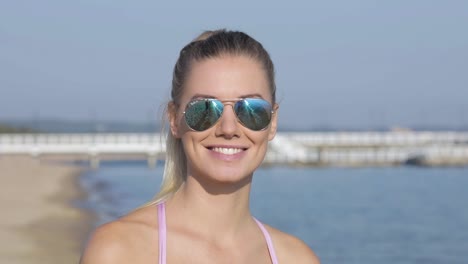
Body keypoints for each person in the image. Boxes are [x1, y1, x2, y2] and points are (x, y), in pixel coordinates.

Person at [80, 29, 320, 264]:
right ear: (174, 119)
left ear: (273, 121)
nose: (228, 128)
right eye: (205, 109)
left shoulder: (297, 258)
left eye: (250, 109)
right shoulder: (119, 251)